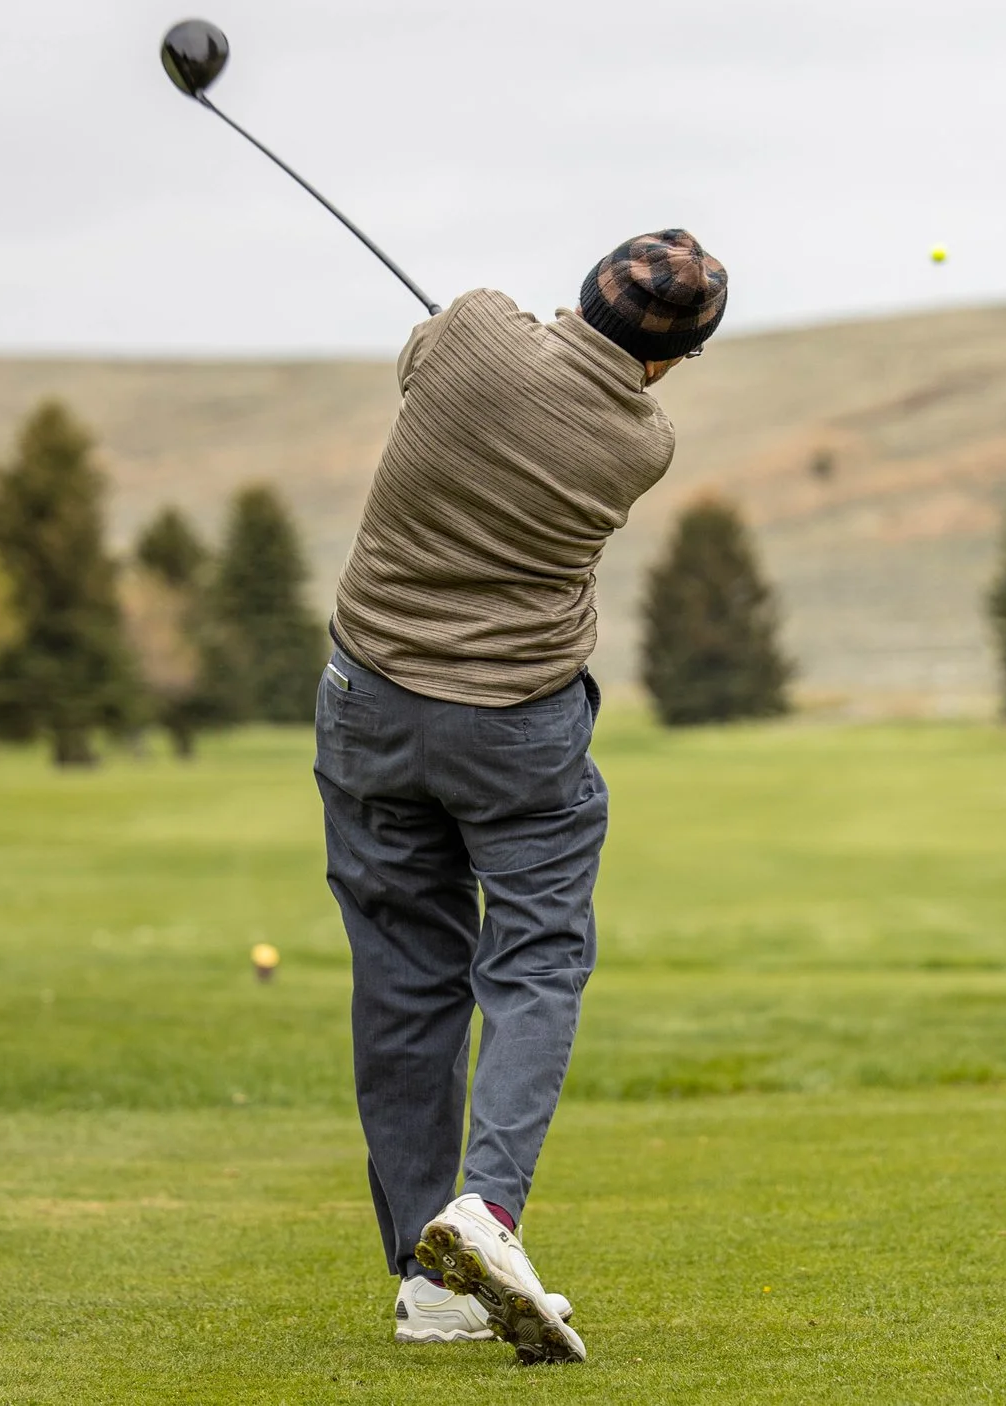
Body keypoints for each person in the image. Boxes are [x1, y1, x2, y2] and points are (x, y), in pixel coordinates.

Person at [313, 230, 727, 1364]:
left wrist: (485, 343)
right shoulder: (642, 439)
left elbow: (429, 358)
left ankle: (428, 1279)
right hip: (517, 727)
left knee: (405, 978)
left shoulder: (475, 327)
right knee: (536, 957)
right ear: (673, 360)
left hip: (371, 700)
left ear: (586, 287)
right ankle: (484, 1210)